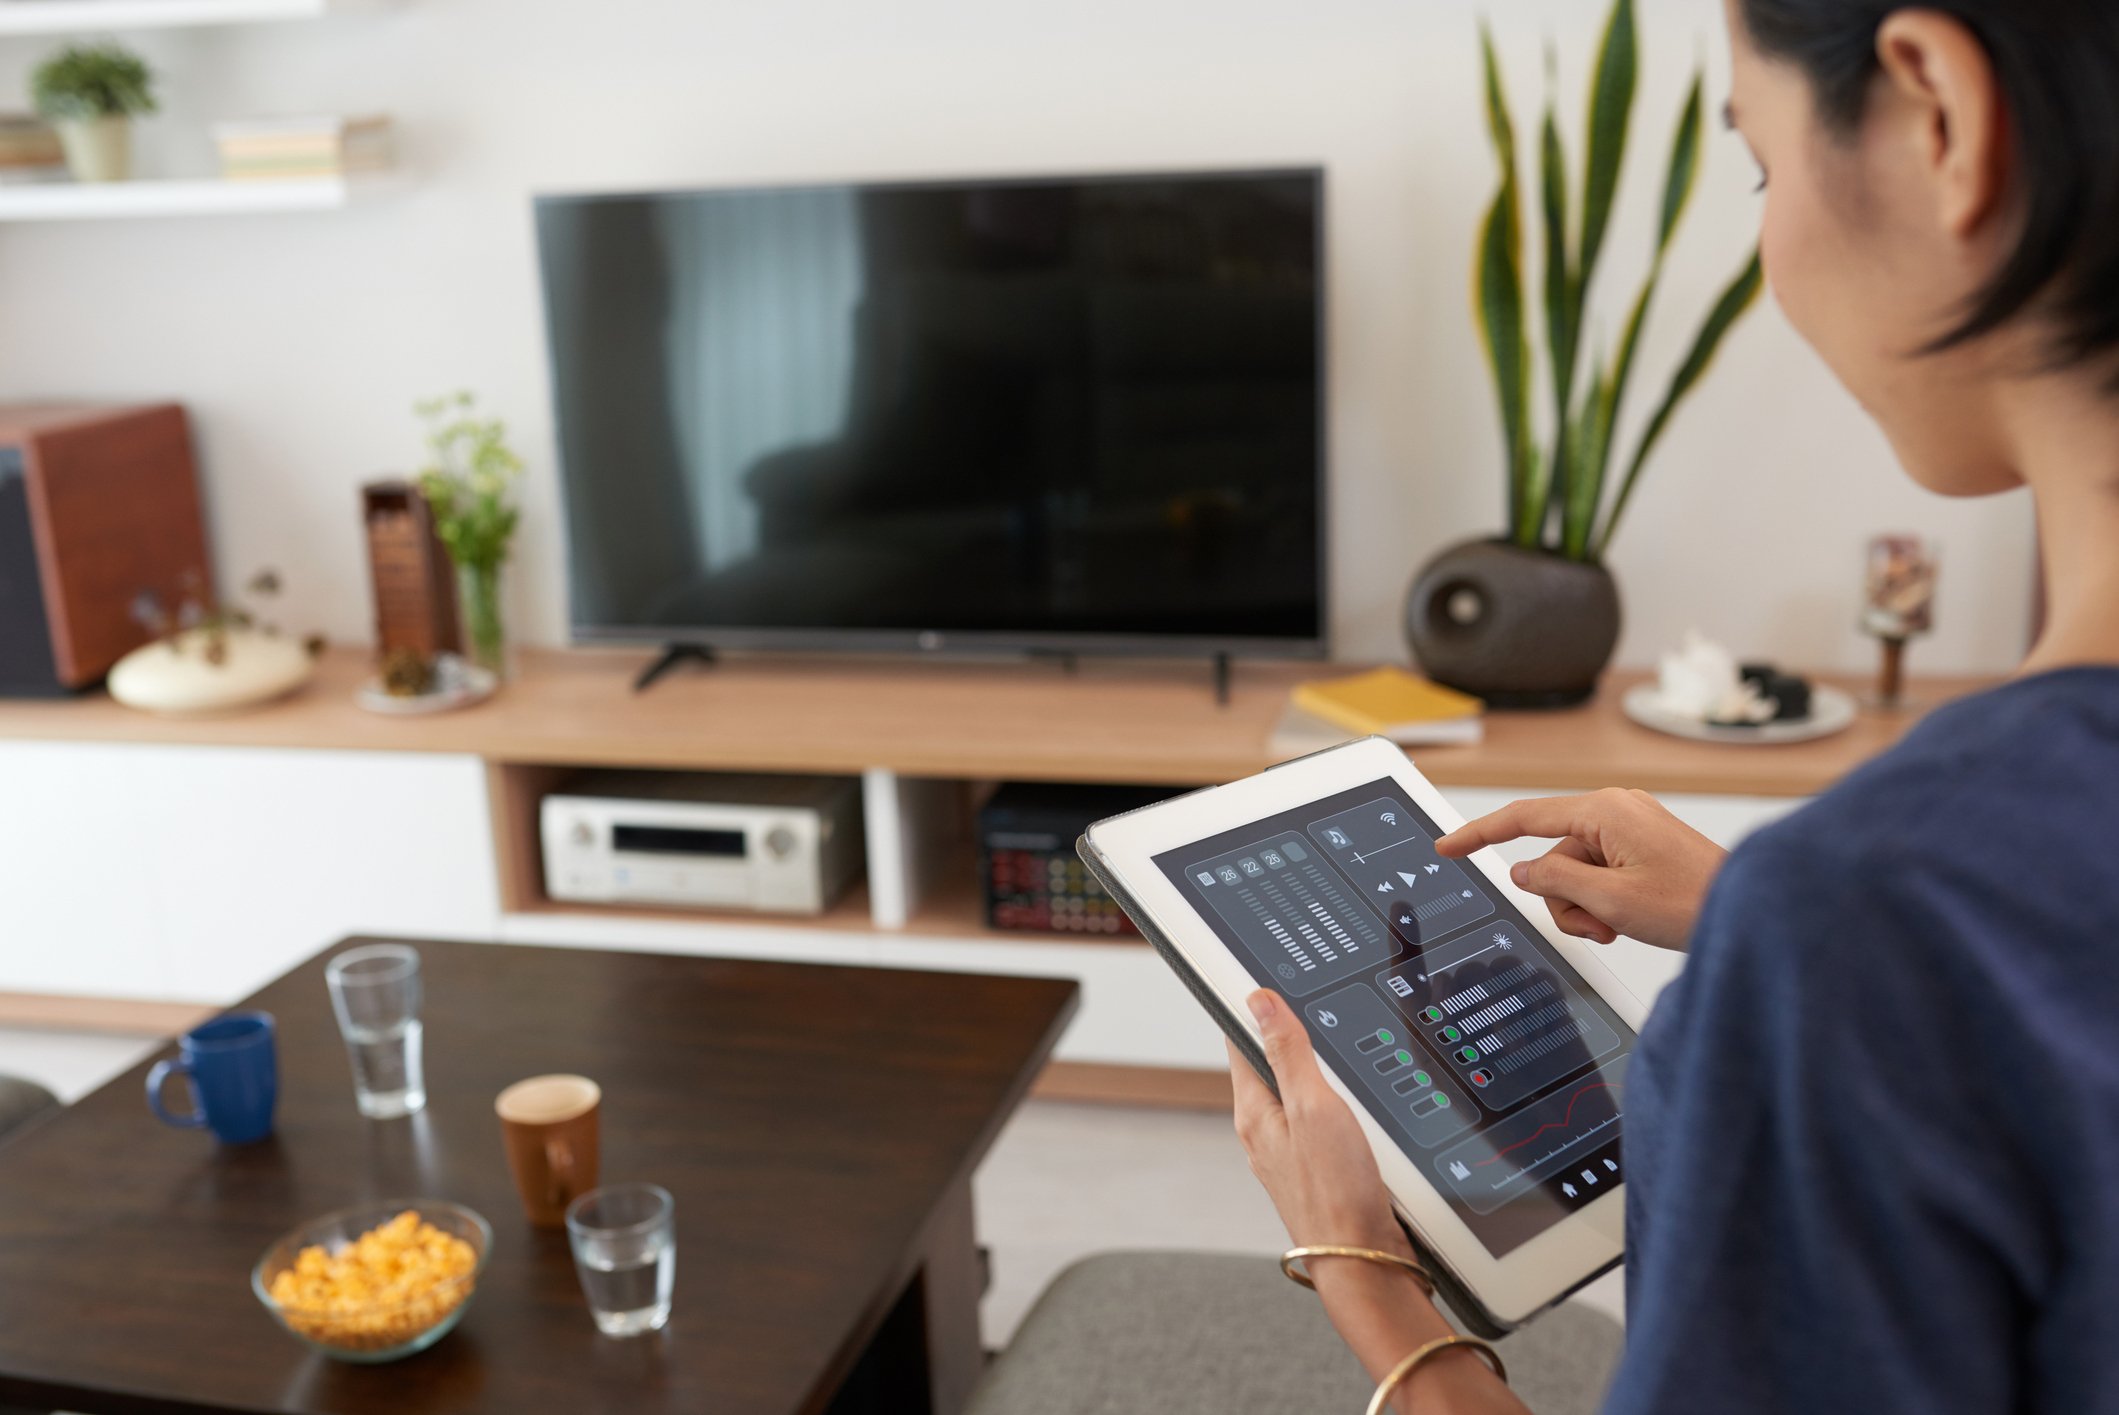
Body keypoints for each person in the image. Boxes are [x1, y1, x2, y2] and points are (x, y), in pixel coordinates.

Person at [1229, 1, 2119, 1410]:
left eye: (1761, 166)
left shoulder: (1880, 917)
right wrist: (1762, 926)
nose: (1772, 248)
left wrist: (1366, 1277)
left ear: (1938, 117)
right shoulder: (1899, 921)